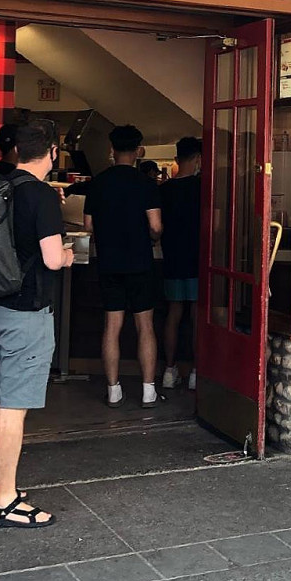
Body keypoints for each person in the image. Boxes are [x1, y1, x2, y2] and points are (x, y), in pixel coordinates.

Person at [0, 117, 73, 529]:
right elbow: (52, 258)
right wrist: (67, 255)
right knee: (14, 407)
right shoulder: (41, 195)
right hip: (26, 312)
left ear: (16, 150)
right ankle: (5, 500)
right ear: (53, 152)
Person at [83, 125, 162, 408]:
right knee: (145, 325)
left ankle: (113, 390)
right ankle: (149, 390)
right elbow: (156, 226)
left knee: (112, 325)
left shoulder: (98, 183)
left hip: (109, 262)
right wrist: (150, 237)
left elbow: (88, 226)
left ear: (112, 150)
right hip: (140, 260)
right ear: (138, 151)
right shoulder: (146, 184)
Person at [160, 136, 202, 391]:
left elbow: (156, 227)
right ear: (198, 158)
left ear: (176, 159)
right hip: (198, 258)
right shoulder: (203, 188)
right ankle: (196, 372)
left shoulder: (164, 190)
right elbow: (216, 225)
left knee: (173, 314)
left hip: (172, 257)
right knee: (197, 316)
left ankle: (169, 370)